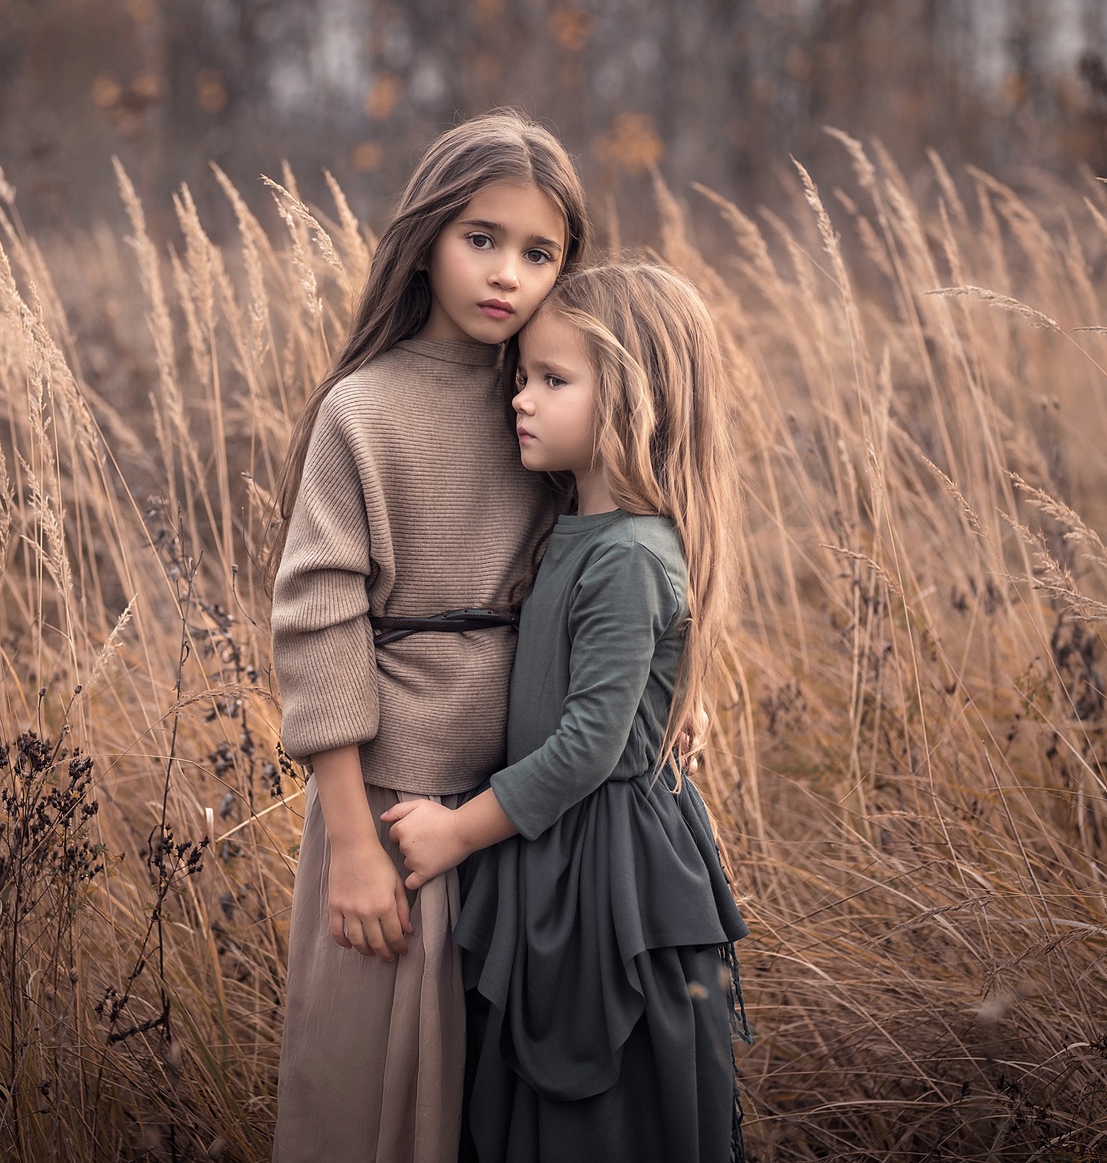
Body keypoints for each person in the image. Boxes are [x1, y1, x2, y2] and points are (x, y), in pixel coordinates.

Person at [267, 110, 590, 1163]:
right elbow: (317, 619)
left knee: (501, 1106)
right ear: (427, 237)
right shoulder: (362, 409)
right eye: (480, 237)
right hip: (393, 818)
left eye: (538, 252)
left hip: (528, 803)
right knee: (371, 1101)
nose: (506, 274)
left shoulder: (553, 403)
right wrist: (353, 839)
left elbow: (622, 564)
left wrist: (674, 700)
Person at [384, 264, 753, 1163]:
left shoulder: (630, 552)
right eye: (524, 376)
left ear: (633, 400)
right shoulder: (576, 527)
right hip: (557, 847)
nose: (521, 398)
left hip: (606, 862)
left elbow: (589, 743)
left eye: (553, 381)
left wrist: (458, 833)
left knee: (607, 1105)